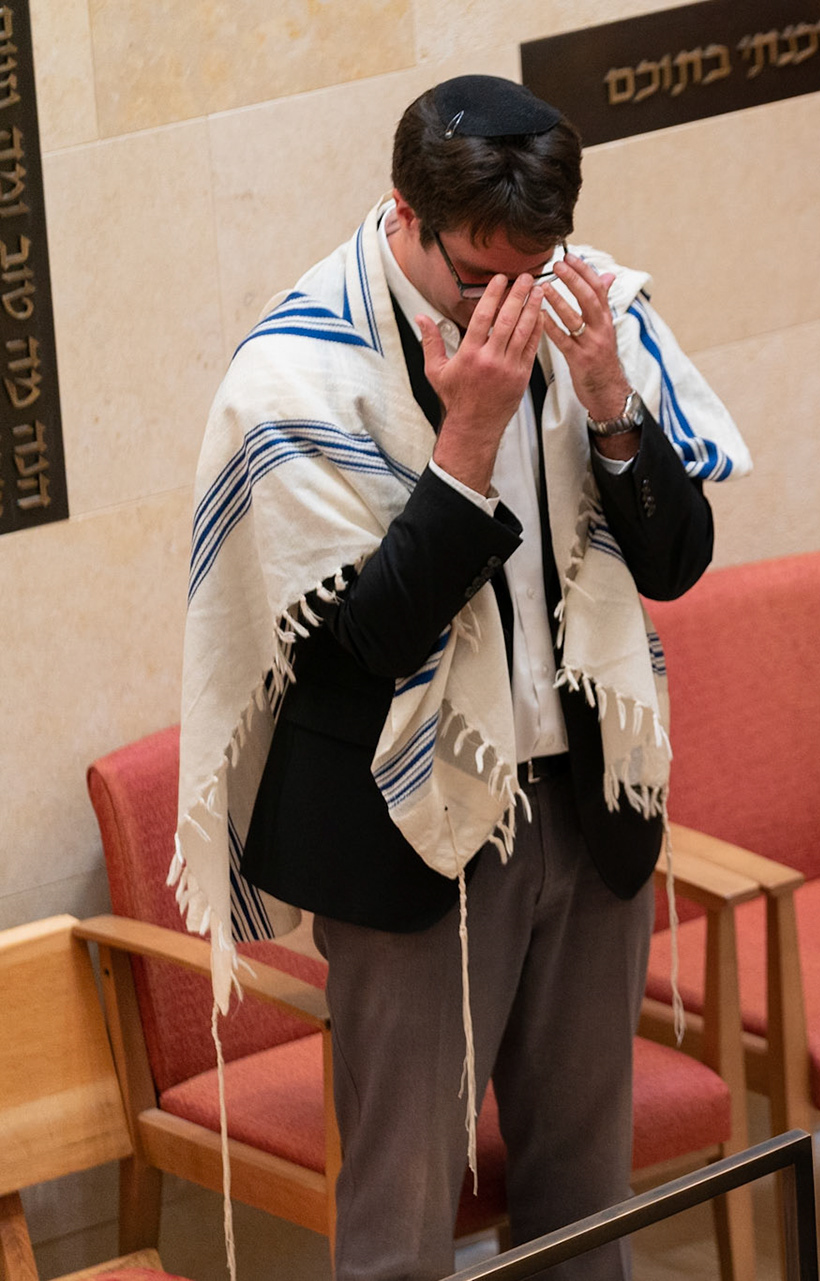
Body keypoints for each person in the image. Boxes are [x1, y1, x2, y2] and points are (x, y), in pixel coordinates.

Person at [172, 76, 749, 1281]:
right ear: (405, 217)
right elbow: (363, 645)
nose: (509, 306)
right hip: (404, 835)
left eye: (533, 271)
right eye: (479, 277)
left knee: (587, 1195)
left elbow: (677, 561)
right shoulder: (293, 380)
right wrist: (468, 441)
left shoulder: (592, 314)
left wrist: (609, 407)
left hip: (588, 813)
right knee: (401, 1220)